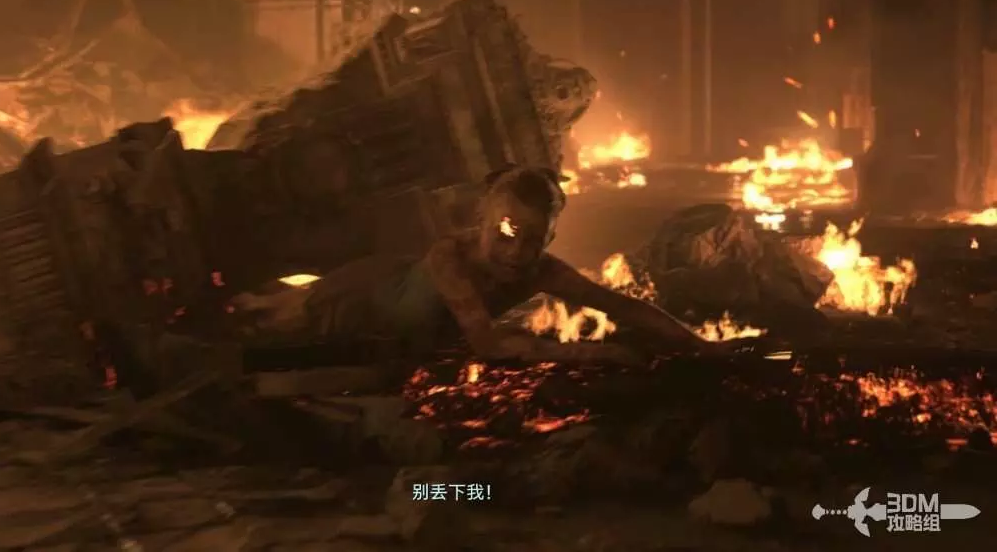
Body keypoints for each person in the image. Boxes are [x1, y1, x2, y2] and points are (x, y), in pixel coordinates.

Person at [232, 165, 749, 362]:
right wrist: (593, 356)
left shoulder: (538, 269)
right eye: (505, 233)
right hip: (358, 296)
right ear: (482, 220)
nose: (516, 252)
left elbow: (620, 306)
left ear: (550, 237)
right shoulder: (450, 257)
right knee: (269, 319)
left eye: (534, 240)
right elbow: (487, 344)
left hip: (396, 312)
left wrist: (699, 345)